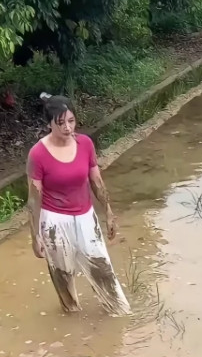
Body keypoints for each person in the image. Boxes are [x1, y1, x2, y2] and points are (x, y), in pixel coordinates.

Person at [27, 95, 131, 315]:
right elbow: (34, 198)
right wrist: (35, 236)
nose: (67, 127)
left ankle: (118, 312)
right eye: (61, 123)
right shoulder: (38, 154)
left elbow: (96, 181)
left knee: (102, 268)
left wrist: (109, 212)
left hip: (85, 217)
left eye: (71, 121)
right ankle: (71, 319)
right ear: (49, 124)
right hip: (54, 221)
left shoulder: (85, 144)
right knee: (63, 275)